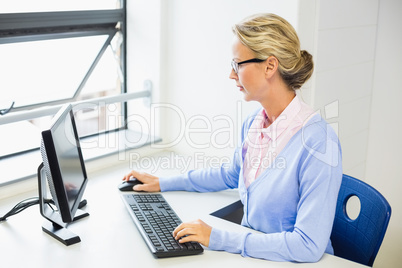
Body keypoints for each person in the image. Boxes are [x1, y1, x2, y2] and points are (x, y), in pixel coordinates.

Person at [123, 13, 342, 263]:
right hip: (256, 257)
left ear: (270, 66)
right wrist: (163, 182)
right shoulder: (255, 122)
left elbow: (307, 245)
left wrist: (217, 237)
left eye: (238, 63)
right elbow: (231, 174)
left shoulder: (319, 142)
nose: (231, 74)